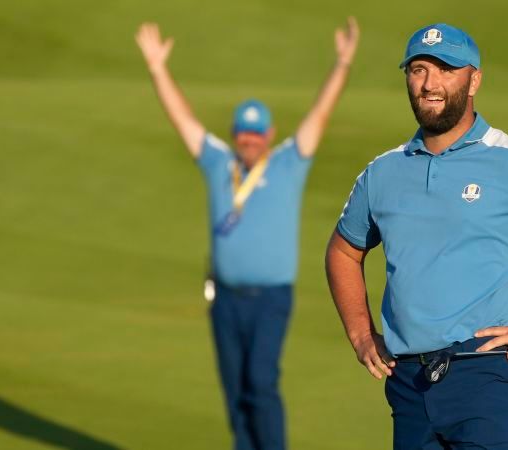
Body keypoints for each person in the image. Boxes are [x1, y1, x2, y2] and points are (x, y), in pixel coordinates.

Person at [325, 23, 508, 450]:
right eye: (418, 70)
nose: (429, 84)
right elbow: (342, 251)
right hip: (410, 384)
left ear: (474, 80)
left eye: (446, 69)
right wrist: (359, 333)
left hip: (491, 378)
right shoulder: (382, 172)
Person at [135, 18, 359, 450]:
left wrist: (342, 63)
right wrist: (158, 69)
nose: (250, 139)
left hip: (271, 297)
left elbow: (320, 115)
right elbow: (183, 119)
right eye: (243, 132)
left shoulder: (288, 162)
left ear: (269, 135)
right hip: (225, 298)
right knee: (236, 393)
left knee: (260, 382)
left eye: (257, 132)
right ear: (236, 134)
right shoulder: (219, 163)